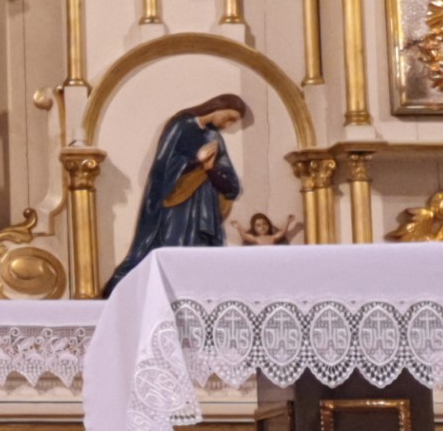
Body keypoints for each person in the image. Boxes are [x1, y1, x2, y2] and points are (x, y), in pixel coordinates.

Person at [102, 93, 250, 297]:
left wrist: (210, 169)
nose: (229, 124)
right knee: (171, 249)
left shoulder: (215, 138)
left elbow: (231, 184)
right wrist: (196, 161)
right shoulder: (181, 125)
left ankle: (192, 300)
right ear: (219, 106)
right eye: (230, 117)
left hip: (205, 210)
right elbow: (162, 165)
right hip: (177, 205)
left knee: (200, 258)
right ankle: (117, 295)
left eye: (234, 122)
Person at [229, 211, 299, 245]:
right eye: (258, 225)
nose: (262, 227)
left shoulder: (273, 237)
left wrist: (288, 221)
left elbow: (282, 233)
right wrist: (238, 227)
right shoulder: (255, 239)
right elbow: (245, 236)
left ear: (269, 225)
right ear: (254, 228)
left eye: (265, 224)